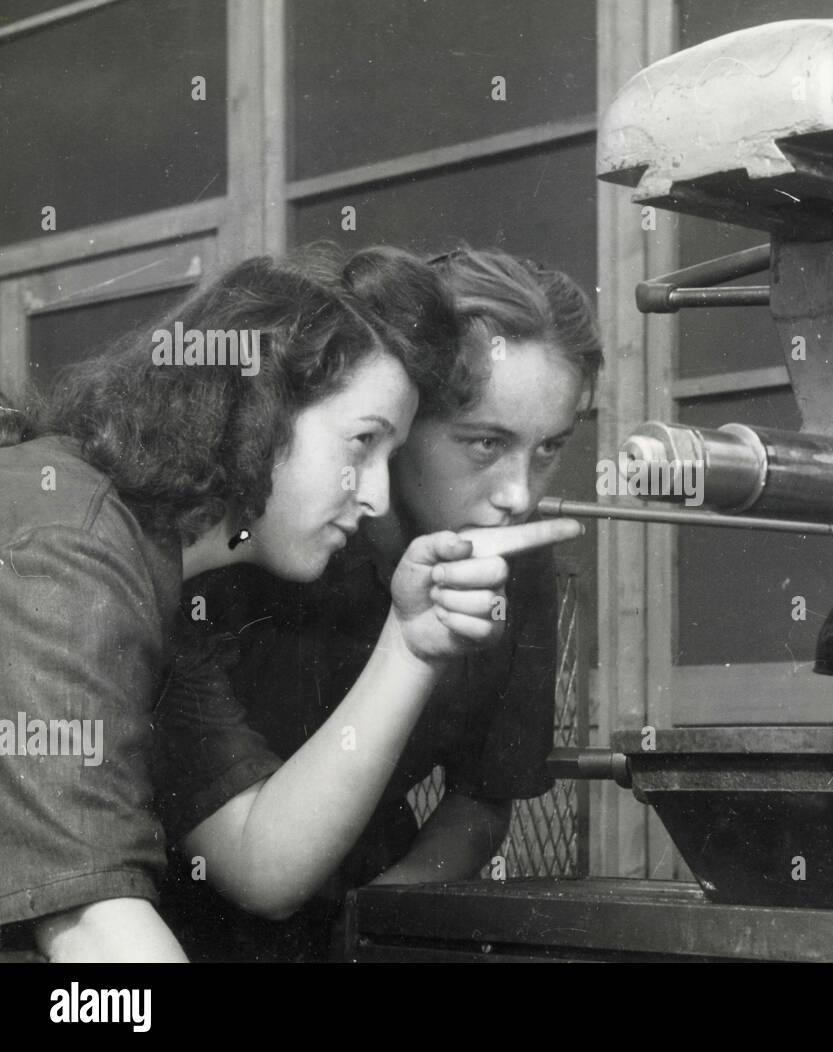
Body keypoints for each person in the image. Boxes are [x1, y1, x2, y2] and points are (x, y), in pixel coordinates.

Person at [0, 245, 574, 961]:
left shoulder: (162, 579)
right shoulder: (69, 546)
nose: (375, 498)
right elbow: (94, 928)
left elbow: (258, 858)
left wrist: (409, 641)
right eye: (363, 443)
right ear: (259, 408)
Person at [155, 247, 603, 961]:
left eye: (549, 449)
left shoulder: (512, 552)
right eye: (485, 443)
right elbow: (251, 861)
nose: (519, 494)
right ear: (400, 417)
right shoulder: (249, 547)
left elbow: (485, 794)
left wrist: (381, 922)